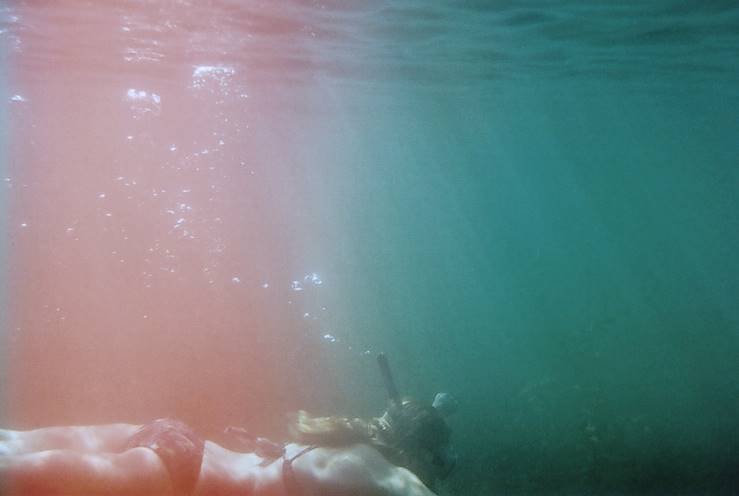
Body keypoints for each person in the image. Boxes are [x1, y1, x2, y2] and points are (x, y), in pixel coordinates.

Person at [0, 395, 457, 496]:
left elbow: (279, 464)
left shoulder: (333, 446)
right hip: (188, 475)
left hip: (179, 438)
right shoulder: (368, 469)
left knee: (15, 445)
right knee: (24, 476)